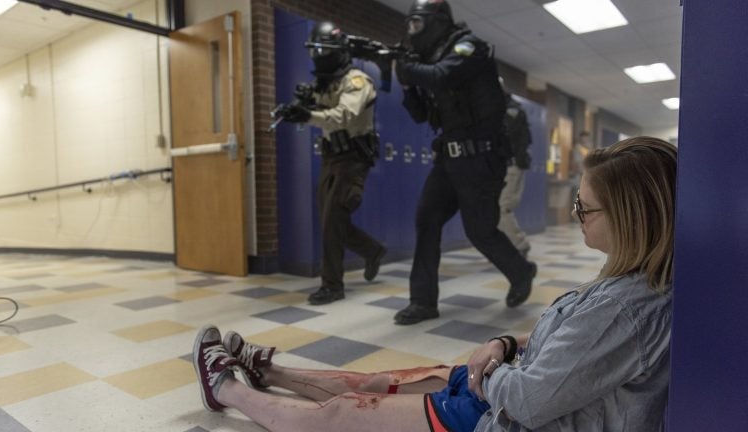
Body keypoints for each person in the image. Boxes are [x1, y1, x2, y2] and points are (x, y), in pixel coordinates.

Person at [192, 136, 677, 431]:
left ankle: (227, 390)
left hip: (505, 418)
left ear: (632, 219)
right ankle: (271, 374)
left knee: (343, 415)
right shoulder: (630, 285)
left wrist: (485, 372)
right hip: (509, 388)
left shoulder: (626, 310)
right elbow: (575, 352)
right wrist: (505, 341)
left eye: (584, 208)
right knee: (382, 382)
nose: (574, 215)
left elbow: (530, 403)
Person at [392, 0, 537, 324]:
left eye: (418, 24)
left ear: (437, 22)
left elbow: (444, 76)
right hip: (448, 159)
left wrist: (407, 68)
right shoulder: (427, 62)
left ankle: (521, 271)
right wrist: (404, 82)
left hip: (482, 160)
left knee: (480, 231)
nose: (413, 31)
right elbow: (419, 114)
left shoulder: (470, 47)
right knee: (426, 221)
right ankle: (423, 302)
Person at [279, 21, 387, 305]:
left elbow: (342, 116)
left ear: (337, 51)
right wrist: (303, 103)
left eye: (321, 51)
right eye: (313, 51)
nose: (317, 57)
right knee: (330, 220)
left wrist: (306, 115)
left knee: (332, 220)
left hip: (353, 158)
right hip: (331, 156)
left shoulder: (357, 81)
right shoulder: (328, 83)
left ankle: (332, 286)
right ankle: (373, 251)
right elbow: (322, 106)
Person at [498, 91, 533, 258]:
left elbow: (507, 134)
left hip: (511, 166)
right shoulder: (503, 107)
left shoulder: (511, 110)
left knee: (502, 207)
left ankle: (520, 244)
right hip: (499, 167)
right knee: (493, 209)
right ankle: (505, 247)